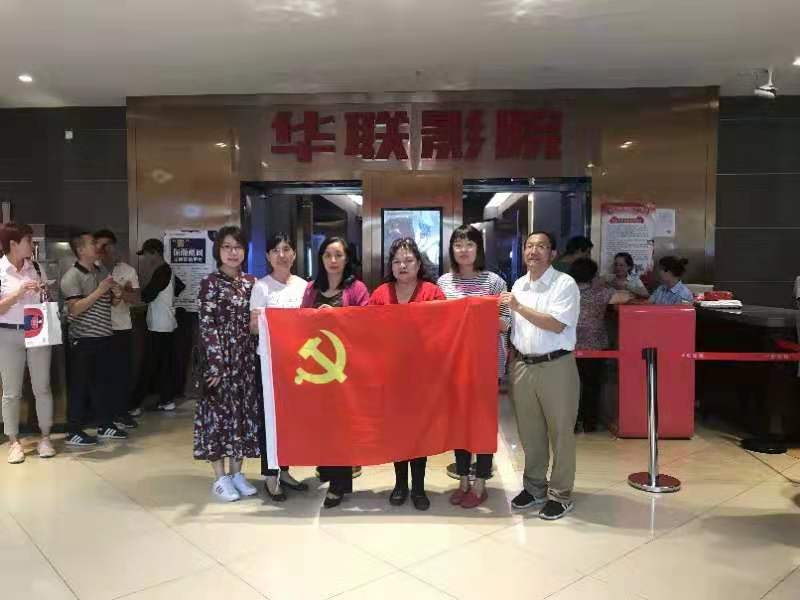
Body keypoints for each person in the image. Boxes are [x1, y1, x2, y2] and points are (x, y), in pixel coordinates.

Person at [500, 231, 580, 521]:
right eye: (529, 246)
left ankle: (560, 494)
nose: (533, 251)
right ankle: (534, 488)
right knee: (529, 432)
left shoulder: (564, 284)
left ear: (553, 253)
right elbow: (513, 326)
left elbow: (557, 324)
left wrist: (518, 307)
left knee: (560, 432)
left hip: (555, 365)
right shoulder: (519, 285)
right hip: (522, 365)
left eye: (541, 246)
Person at [437, 224, 511, 509]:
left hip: (485, 364)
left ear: (478, 248)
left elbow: (506, 324)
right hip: (455, 364)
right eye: (458, 244)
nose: (463, 250)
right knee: (459, 424)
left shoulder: (494, 283)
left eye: (469, 244)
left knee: (482, 423)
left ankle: (481, 482)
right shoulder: (444, 283)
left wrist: (479, 314)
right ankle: (463, 481)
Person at [370, 238, 445, 511]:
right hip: (391, 376)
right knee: (397, 431)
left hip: (423, 377)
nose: (402, 266)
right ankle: (400, 484)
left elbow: (445, 328)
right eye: (397, 261)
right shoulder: (380, 294)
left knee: (419, 432)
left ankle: (419, 487)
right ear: (390, 266)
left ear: (419, 263)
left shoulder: (432, 292)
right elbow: (361, 326)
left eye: (408, 260)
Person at [300, 236, 369, 509]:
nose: (333, 260)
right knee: (322, 423)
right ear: (320, 258)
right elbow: (300, 322)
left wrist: (337, 316)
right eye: (328, 255)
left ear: (347, 258)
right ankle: (330, 470)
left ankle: (339, 484)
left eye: (338, 255)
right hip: (318, 369)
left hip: (345, 368)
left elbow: (368, 323)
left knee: (342, 425)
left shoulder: (357, 288)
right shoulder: (311, 288)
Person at [194, 226, 260, 502]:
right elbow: (206, 325)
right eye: (227, 247)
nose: (233, 252)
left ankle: (237, 473)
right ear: (218, 250)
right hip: (219, 363)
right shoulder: (209, 283)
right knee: (218, 418)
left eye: (238, 247)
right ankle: (220, 477)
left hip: (245, 362)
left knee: (241, 417)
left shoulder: (251, 282)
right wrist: (216, 364)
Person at [248, 233, 309, 502]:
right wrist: (268, 321)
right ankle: (270, 475)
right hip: (269, 363)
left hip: (296, 365)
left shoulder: (304, 286)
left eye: (286, 249)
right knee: (269, 420)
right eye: (275, 250)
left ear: (294, 254)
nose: (281, 255)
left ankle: (285, 470)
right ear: (268, 256)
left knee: (290, 420)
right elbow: (253, 327)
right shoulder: (261, 287)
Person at [61, 232, 128, 445]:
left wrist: (117, 294)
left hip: (104, 335)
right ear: (81, 250)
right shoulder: (71, 276)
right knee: (80, 385)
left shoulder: (101, 271)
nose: (97, 246)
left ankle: (105, 424)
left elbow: (111, 303)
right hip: (83, 338)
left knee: (103, 384)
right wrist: (100, 290)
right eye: (92, 243)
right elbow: (75, 308)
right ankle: (74, 430)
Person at [0, 222, 57, 463]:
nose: (31, 245)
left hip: (37, 329)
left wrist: (43, 290)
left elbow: (47, 299)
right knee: (11, 391)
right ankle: (13, 441)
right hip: (7, 334)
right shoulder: (0, 270)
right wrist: (18, 294)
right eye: (28, 241)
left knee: (42, 386)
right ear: (13, 243)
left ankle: (45, 437)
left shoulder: (35, 267)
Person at [570, 258, 632, 433]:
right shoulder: (600, 292)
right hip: (595, 345)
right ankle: (589, 423)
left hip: (569, 344)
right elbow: (625, 297)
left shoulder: (565, 292)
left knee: (571, 386)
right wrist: (611, 283)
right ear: (593, 275)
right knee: (592, 385)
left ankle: (572, 423)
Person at [130, 238, 185, 414]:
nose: (145, 259)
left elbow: (147, 296)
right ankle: (166, 400)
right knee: (164, 365)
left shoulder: (162, 271)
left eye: (146, 254)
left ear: (154, 253)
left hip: (159, 326)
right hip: (167, 324)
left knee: (149, 365)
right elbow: (179, 288)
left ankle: (135, 404)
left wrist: (125, 293)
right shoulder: (168, 271)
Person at [94, 229, 139, 430]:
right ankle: (101, 415)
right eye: (100, 246)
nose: (104, 250)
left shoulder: (127, 270)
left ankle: (121, 412)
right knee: (100, 374)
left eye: (107, 246)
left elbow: (136, 298)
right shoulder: (92, 270)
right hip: (97, 328)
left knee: (121, 373)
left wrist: (122, 291)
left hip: (121, 327)